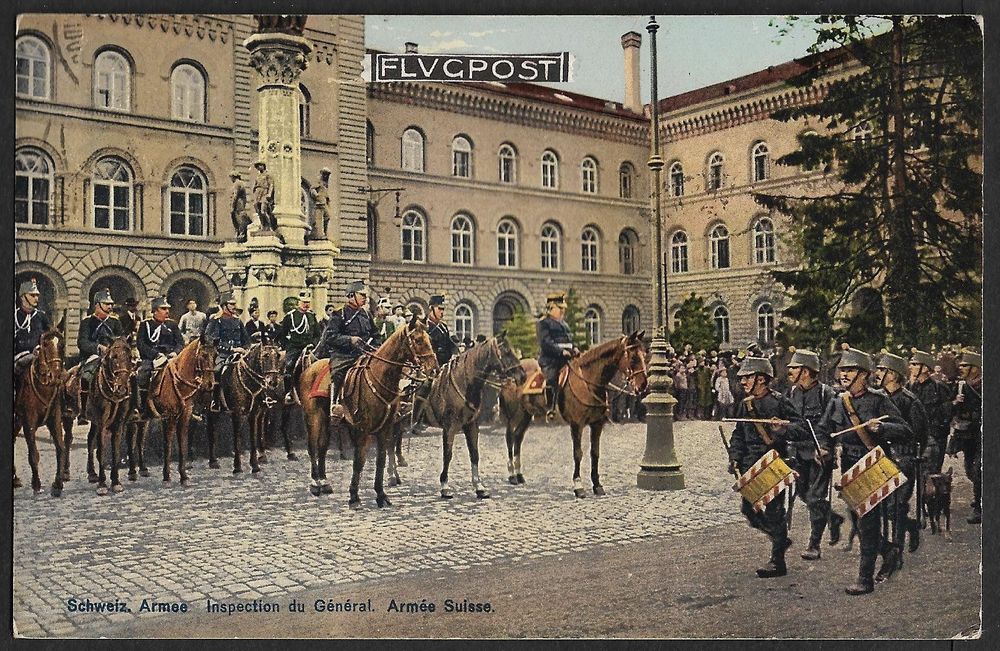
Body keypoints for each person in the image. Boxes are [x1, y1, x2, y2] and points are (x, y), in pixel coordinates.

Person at [814, 347, 913, 595]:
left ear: (864, 375)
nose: (844, 375)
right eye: (842, 370)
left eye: (850, 370)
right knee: (858, 521)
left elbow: (905, 431)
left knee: (867, 521)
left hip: (873, 464)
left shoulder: (879, 400)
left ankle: (865, 579)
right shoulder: (837, 402)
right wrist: (824, 449)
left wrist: (882, 428)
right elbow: (824, 431)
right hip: (849, 466)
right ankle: (889, 551)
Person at [727, 356, 808, 579]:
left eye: (747, 377)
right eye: (741, 378)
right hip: (750, 466)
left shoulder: (780, 402)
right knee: (748, 510)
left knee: (774, 512)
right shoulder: (746, 404)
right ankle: (780, 539)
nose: (742, 382)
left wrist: (783, 429)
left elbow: (801, 429)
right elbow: (738, 434)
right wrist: (735, 457)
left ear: (762, 379)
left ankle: (777, 561)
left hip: (773, 463)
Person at [785, 348, 844, 560]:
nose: (789, 371)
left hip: (821, 453)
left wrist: (827, 447)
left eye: (794, 368)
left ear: (807, 371)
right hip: (799, 453)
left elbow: (835, 423)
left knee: (815, 496)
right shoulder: (792, 392)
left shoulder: (826, 394)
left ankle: (814, 544)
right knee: (802, 494)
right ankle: (832, 518)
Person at [874, 351, 928, 573]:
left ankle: (896, 553)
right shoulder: (877, 397)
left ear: (893, 374)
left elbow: (919, 433)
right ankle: (911, 526)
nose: (877, 373)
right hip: (882, 458)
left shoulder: (909, 401)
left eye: (882, 370)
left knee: (896, 507)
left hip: (904, 458)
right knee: (882, 508)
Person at [315, 280, 377, 410]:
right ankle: (334, 404)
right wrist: (350, 340)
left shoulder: (366, 314)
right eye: (362, 295)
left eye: (365, 296)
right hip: (343, 355)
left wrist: (377, 347)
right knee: (337, 374)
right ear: (351, 296)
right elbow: (330, 337)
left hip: (364, 354)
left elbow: (376, 334)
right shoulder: (339, 314)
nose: (365, 298)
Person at [75, 288, 125, 423]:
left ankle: (129, 409)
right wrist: (97, 347)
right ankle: (83, 412)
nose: (110, 307)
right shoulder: (87, 322)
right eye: (106, 303)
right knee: (86, 377)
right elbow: (82, 342)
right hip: (93, 356)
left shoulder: (115, 322)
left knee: (128, 375)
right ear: (97, 304)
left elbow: (121, 339)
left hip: (112, 357)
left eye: (111, 304)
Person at [134, 297, 184, 418]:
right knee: (142, 375)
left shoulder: (172, 325)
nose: (167, 311)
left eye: (167, 309)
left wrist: (175, 353)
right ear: (155, 311)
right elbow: (141, 344)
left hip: (171, 358)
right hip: (152, 359)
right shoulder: (145, 325)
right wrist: (155, 354)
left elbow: (180, 343)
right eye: (163, 309)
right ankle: (141, 407)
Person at [948, 349, 982, 524]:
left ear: (975, 368)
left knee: (978, 470)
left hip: (983, 433)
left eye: (965, 365)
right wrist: (956, 402)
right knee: (969, 468)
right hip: (967, 433)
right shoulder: (961, 385)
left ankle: (979, 507)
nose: (961, 368)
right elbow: (954, 412)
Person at [907, 348, 953, 474]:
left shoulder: (939, 387)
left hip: (936, 437)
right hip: (918, 438)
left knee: (932, 475)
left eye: (915, 364)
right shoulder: (911, 387)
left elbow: (947, 412)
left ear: (925, 368)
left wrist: (936, 431)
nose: (910, 367)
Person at [536, 292, 579, 419]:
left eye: (563, 308)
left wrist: (575, 348)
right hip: (550, 360)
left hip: (567, 359)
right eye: (560, 308)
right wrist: (560, 352)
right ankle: (551, 408)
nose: (562, 311)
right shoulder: (543, 323)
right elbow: (545, 342)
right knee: (551, 378)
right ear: (551, 308)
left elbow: (569, 340)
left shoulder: (564, 324)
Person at [204, 292, 249, 412]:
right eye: (231, 304)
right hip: (222, 353)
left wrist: (246, 348)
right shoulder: (216, 320)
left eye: (234, 304)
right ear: (225, 305)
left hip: (239, 353)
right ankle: (215, 400)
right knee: (218, 370)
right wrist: (231, 349)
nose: (234, 307)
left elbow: (246, 339)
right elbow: (210, 338)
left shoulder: (237, 321)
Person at [277, 290, 321, 404]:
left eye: (308, 302)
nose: (306, 305)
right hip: (295, 347)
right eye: (304, 302)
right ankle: (288, 392)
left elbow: (317, 334)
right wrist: (287, 347)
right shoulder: (290, 316)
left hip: (310, 347)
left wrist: (313, 344)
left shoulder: (312, 316)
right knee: (289, 366)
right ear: (299, 303)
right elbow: (283, 334)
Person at [14, 278, 53, 395]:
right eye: (32, 295)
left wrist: (41, 348)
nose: (36, 298)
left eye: (37, 295)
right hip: (20, 355)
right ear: (23, 297)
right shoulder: (15, 315)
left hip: (39, 356)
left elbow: (49, 336)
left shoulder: (42, 316)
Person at [252, 161, 278, 233]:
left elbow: (271, 184)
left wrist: (269, 194)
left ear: (263, 166)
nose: (258, 167)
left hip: (264, 192)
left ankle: (269, 226)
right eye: (257, 166)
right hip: (258, 193)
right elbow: (255, 185)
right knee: (258, 211)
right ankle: (263, 226)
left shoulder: (267, 174)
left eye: (260, 165)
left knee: (263, 210)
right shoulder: (258, 176)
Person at [308, 167, 332, 241]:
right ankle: (318, 234)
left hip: (324, 202)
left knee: (327, 217)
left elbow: (326, 193)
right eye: (325, 174)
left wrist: (328, 201)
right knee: (318, 219)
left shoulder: (325, 183)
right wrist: (316, 196)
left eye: (327, 175)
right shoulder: (319, 180)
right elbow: (312, 189)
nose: (326, 176)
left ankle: (324, 233)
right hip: (319, 203)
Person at [229, 170, 251, 243]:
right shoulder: (239, 183)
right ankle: (239, 233)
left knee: (238, 217)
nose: (231, 179)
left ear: (234, 176)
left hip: (238, 203)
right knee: (237, 217)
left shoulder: (237, 183)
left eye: (231, 177)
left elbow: (235, 195)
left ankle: (241, 233)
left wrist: (232, 206)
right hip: (239, 202)